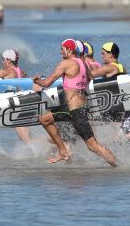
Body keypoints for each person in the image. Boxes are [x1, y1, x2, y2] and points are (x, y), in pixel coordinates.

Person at [33, 38, 117, 166]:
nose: (61, 52)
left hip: (75, 111)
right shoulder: (83, 63)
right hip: (77, 107)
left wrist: (36, 80)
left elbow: (47, 83)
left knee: (93, 146)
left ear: (69, 49)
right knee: (44, 119)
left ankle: (117, 165)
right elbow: (90, 78)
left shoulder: (66, 63)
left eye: (62, 49)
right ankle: (63, 151)